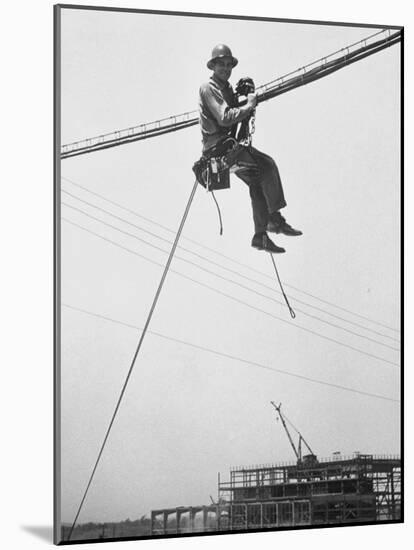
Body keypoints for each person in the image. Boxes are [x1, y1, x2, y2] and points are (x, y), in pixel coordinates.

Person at [199, 44, 302, 253]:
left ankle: (260, 234)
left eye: (229, 65)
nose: (226, 69)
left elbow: (234, 116)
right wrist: (249, 105)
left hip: (228, 147)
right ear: (213, 66)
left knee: (257, 180)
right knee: (266, 164)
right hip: (217, 148)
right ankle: (273, 219)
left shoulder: (226, 89)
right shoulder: (209, 88)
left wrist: (243, 98)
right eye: (222, 65)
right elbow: (226, 117)